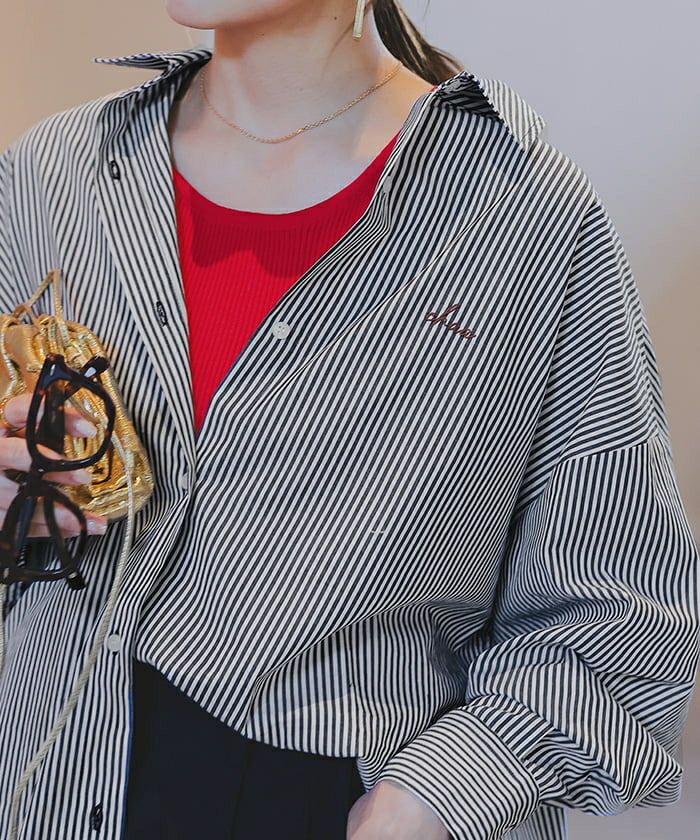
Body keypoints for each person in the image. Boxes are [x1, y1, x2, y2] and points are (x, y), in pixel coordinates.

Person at [1, 1, 698, 839]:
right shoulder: (50, 174)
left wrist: (438, 795)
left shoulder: (527, 213)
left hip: (328, 807)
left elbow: (621, 614)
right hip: (41, 785)